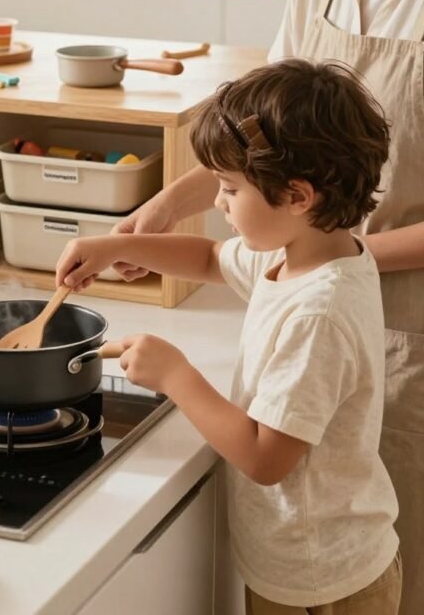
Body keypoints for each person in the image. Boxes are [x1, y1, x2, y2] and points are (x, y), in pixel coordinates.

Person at [108, 0, 424, 615]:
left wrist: (339, 255)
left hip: (409, 336)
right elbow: (263, 116)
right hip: (317, 283)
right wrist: (177, 197)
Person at [56, 59, 402, 614]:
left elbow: (267, 458)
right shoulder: (304, 255)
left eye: (229, 189)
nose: (217, 203)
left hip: (326, 583)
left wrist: (176, 375)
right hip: (294, 562)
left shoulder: (320, 312)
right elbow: (211, 256)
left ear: (297, 196)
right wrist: (115, 246)